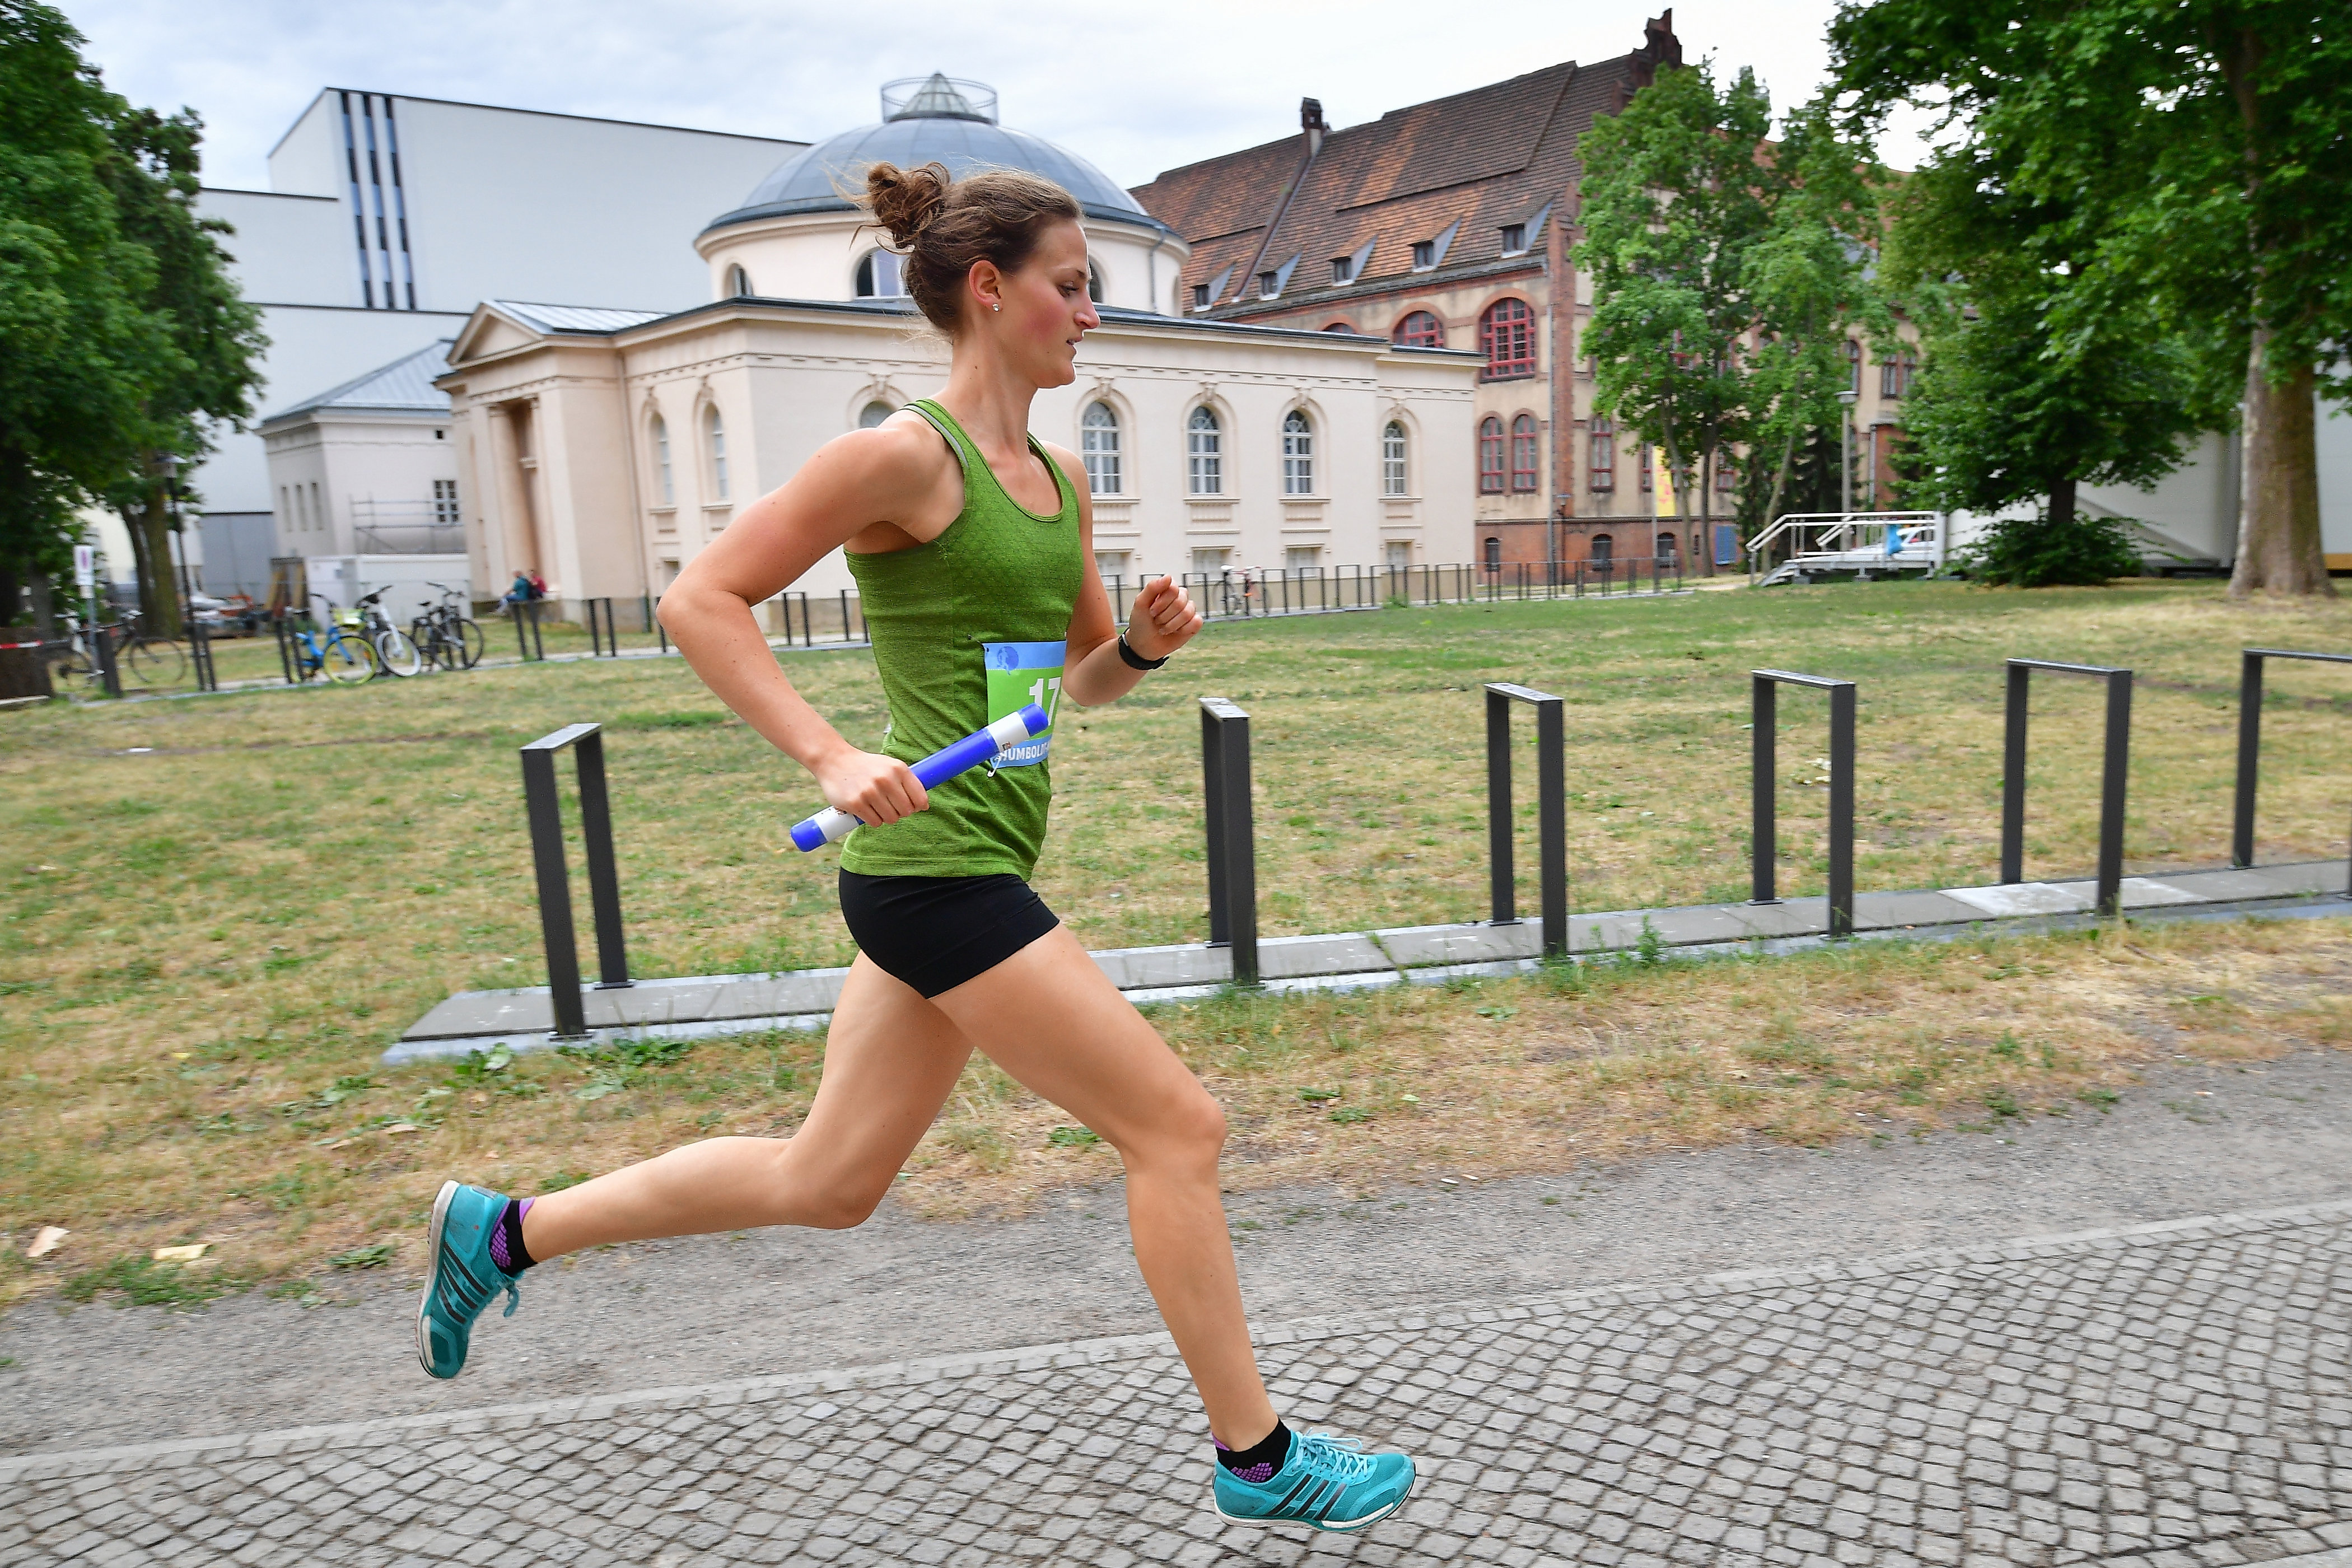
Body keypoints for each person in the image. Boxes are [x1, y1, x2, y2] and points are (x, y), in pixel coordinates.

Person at [412, 158, 1417, 1535]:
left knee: (827, 1181)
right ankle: (1260, 1457)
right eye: (1074, 288)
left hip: (964, 866)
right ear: (994, 293)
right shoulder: (901, 456)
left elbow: (1072, 683)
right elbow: (699, 598)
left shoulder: (1057, 481)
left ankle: (503, 1227)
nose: (1090, 315)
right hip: (935, 873)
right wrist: (830, 751)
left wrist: (1137, 646)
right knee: (1178, 1124)